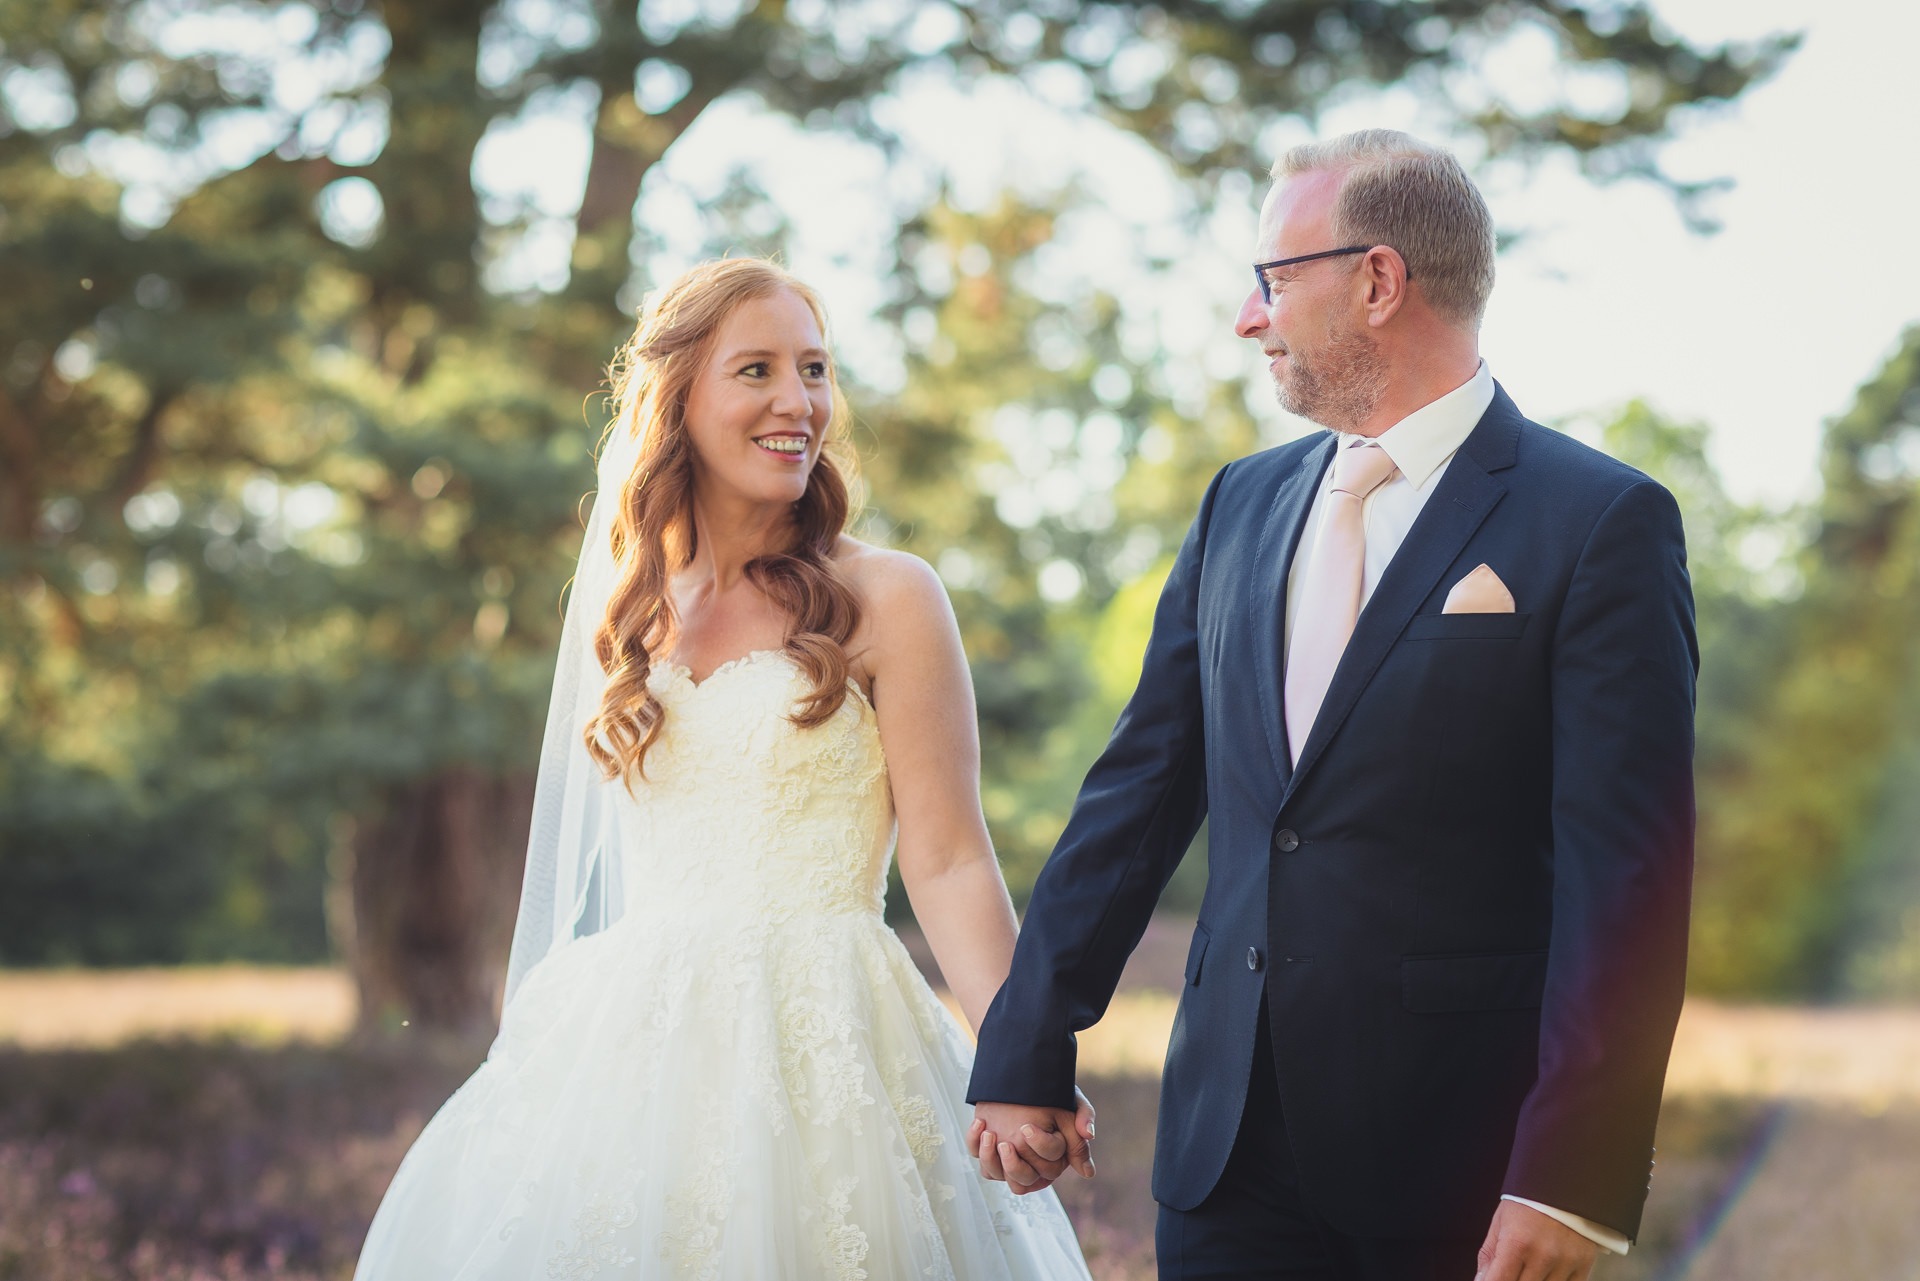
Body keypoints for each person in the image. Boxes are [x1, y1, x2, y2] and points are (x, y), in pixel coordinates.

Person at [967, 129, 1696, 1281]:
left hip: (1459, 1166)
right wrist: (1026, 1042)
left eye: (1272, 280)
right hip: (1223, 1158)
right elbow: (1143, 790)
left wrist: (1574, 1169)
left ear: (1377, 280)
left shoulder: (1600, 521)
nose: (1249, 319)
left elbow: (1630, 881)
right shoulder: (1240, 506)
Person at [353, 257, 1093, 1280]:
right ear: (680, 401)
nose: (799, 402)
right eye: (756, 371)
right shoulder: (630, 612)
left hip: (835, 1045)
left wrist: (1024, 1055)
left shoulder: (890, 597)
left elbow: (953, 858)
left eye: (816, 369)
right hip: (631, 1056)